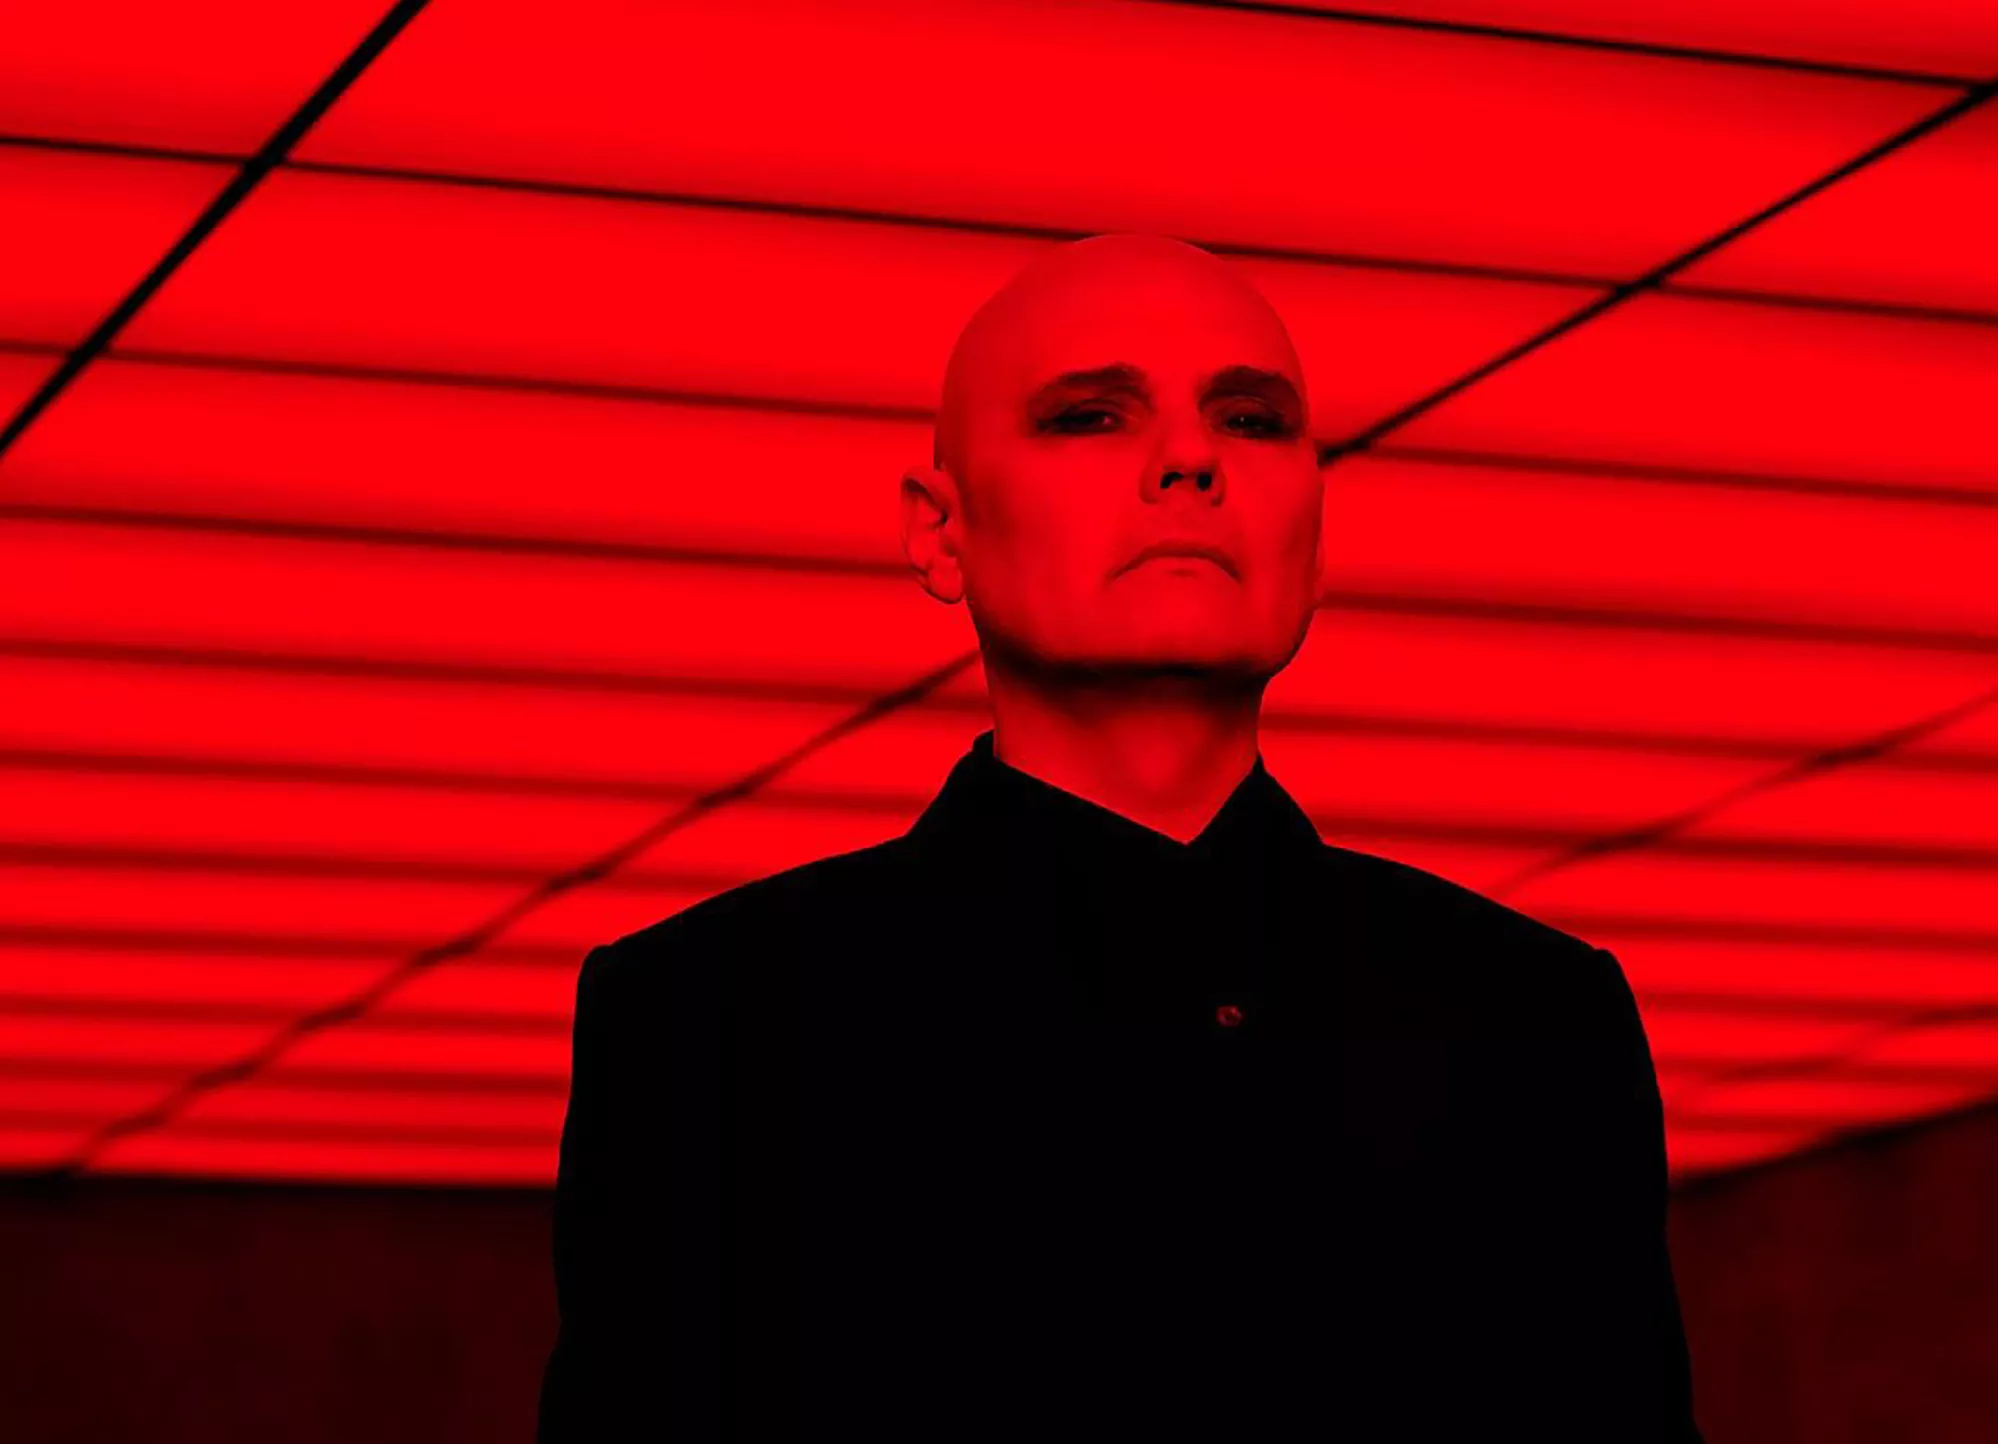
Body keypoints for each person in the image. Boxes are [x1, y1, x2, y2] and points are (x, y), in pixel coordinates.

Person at [536, 233, 1705, 1441]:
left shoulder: (1537, 1021)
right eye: (1090, 417)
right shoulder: (715, 1020)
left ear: (1315, 528)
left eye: (1251, 421)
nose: (1191, 460)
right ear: (939, 529)